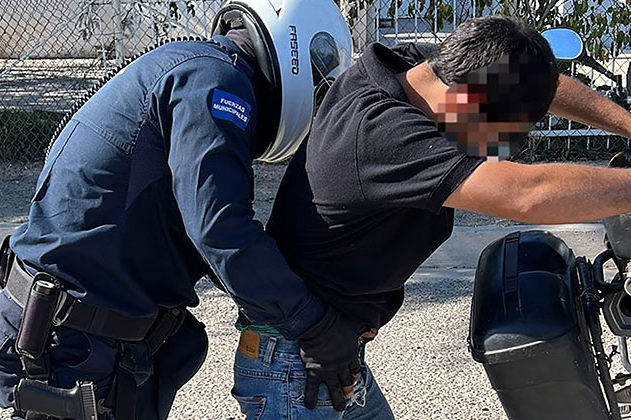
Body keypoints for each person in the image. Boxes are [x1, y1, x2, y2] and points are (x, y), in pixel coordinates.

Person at [231, 16, 631, 420]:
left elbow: (539, 84)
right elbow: (526, 195)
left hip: (331, 347)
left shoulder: (420, 73)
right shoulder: (386, 133)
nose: (502, 150)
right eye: (504, 136)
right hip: (296, 360)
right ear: (469, 100)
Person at [0, 1, 357, 419]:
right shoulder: (216, 84)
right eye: (320, 75)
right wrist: (317, 328)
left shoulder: (193, 69)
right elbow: (221, 232)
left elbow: (199, 222)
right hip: (74, 346)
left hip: (64, 332)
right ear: (296, 46)